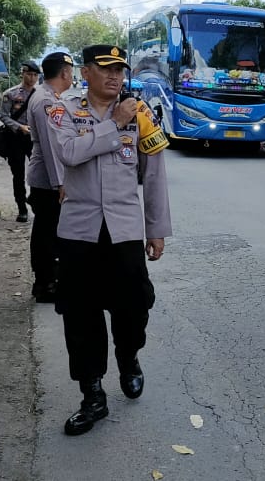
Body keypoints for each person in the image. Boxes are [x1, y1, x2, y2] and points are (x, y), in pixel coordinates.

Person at [49, 44, 172, 436]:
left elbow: (154, 174)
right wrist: (113, 124)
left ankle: (129, 355)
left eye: (119, 69)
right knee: (80, 315)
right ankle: (92, 395)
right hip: (79, 233)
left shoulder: (142, 113)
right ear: (85, 73)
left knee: (134, 306)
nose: (114, 76)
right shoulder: (64, 110)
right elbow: (68, 152)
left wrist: (156, 228)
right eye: (105, 69)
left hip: (124, 232)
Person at [26, 51, 75, 303]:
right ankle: (45, 284)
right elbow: (51, 145)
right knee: (47, 233)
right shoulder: (46, 100)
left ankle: (47, 280)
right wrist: (61, 182)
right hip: (47, 178)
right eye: (72, 70)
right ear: (65, 72)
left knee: (47, 230)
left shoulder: (50, 96)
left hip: (47, 177)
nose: (73, 75)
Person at [0, 61, 40, 222]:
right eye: (29, 74)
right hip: (15, 138)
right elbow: (3, 116)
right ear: (22, 74)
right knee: (18, 175)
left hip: (35, 138)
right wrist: (19, 127)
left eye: (35, 75)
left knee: (39, 172)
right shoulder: (10, 94)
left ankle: (35, 200)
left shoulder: (41, 94)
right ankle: (21, 208)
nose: (32, 78)